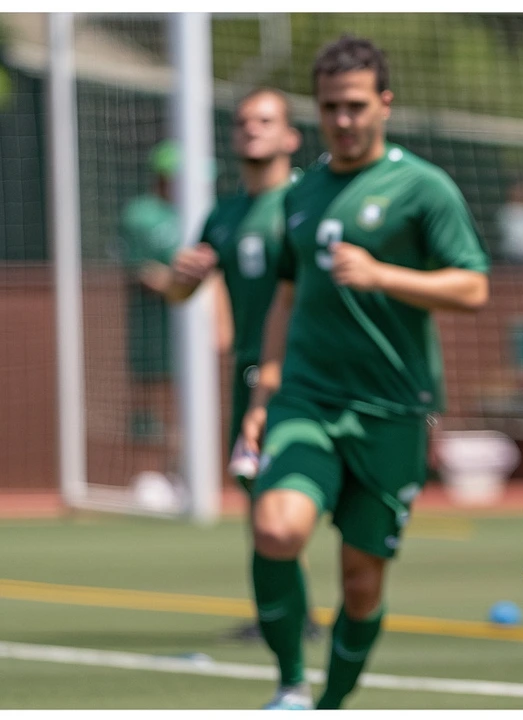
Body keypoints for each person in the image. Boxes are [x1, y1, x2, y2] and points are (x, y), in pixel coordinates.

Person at [238, 36, 489, 710]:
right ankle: (290, 685)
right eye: (329, 107)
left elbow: (472, 288)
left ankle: (329, 705)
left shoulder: (422, 187)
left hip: (392, 413)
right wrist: (265, 390)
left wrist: (382, 275)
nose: (342, 120)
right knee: (276, 529)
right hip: (308, 401)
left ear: (384, 103)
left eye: (354, 106)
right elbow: (285, 299)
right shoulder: (301, 194)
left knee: (361, 586)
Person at [161, 87, 322, 643]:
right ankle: (283, 614)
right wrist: (182, 278)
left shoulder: (308, 200)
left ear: (290, 136)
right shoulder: (223, 213)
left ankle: (297, 618)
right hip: (247, 373)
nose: (251, 129)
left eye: (265, 120)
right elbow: (184, 294)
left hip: (302, 371)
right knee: (253, 488)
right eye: (243, 122)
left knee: (285, 487)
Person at [119, 141, 182, 453]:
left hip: (192, 327)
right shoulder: (141, 215)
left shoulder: (197, 209)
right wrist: (185, 285)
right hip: (154, 327)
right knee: (151, 407)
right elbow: (141, 271)